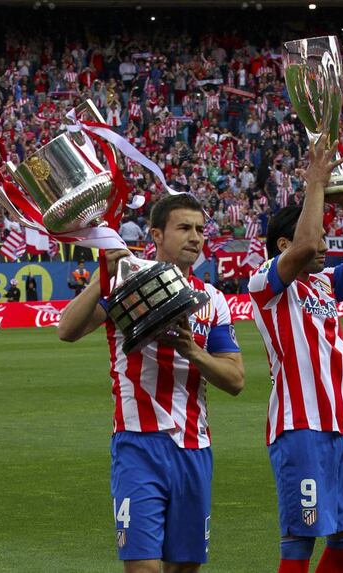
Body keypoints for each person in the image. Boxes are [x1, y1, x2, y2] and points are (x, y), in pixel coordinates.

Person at [58, 194, 244, 573]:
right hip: (138, 445)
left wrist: (194, 352)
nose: (195, 237)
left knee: (185, 567)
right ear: (156, 234)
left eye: (199, 229)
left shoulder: (213, 300)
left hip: (194, 448)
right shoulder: (128, 279)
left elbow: (236, 379)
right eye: (184, 228)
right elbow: (68, 329)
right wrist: (101, 280)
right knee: (143, 567)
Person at [248, 135, 343, 573]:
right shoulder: (266, 284)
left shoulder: (326, 283)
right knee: (300, 540)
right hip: (298, 426)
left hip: (338, 425)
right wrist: (314, 182)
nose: (325, 246)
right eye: (318, 237)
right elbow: (307, 246)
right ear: (282, 245)